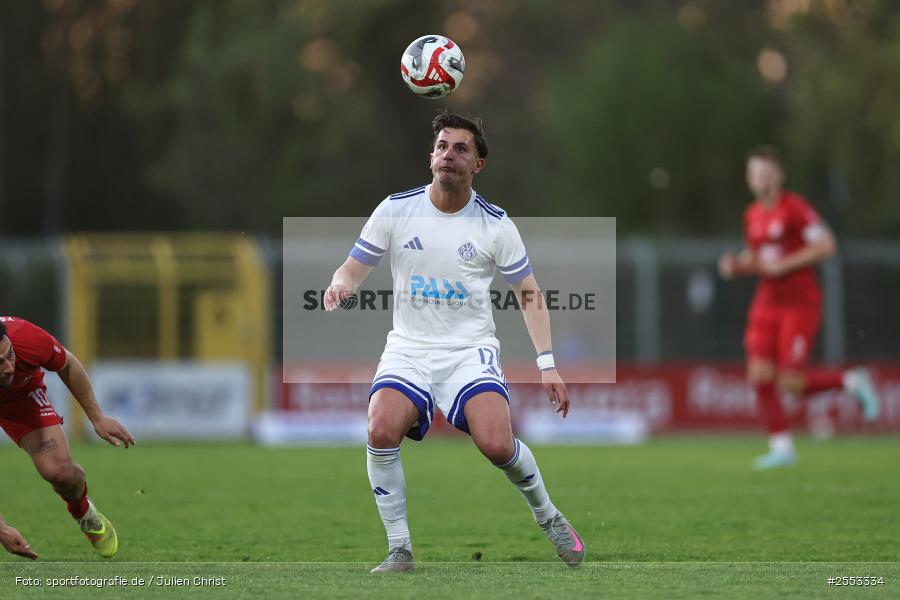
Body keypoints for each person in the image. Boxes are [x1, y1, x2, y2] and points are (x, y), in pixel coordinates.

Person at [324, 111, 585, 572]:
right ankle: (399, 549)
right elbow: (352, 266)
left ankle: (548, 515)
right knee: (380, 428)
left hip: (470, 352)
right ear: (431, 157)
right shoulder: (395, 210)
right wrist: (340, 283)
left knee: (497, 445)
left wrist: (547, 362)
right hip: (409, 348)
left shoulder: (495, 225)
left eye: (461, 148)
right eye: (442, 146)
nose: (449, 155)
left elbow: (529, 294)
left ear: (478, 165)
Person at [718, 146, 880, 469]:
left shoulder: (794, 208)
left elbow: (827, 245)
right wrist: (736, 266)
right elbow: (758, 257)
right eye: (755, 174)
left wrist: (785, 265)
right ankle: (782, 448)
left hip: (799, 303)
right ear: (749, 179)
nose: (761, 180)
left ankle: (851, 382)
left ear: (779, 176)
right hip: (766, 302)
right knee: (759, 374)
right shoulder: (751, 215)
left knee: (791, 382)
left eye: (766, 173)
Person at [0, 316, 134, 559]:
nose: (9, 367)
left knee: (60, 473)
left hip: (20, 400)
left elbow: (67, 364)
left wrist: (96, 416)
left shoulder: (26, 338)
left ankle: (84, 512)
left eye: (9, 355)